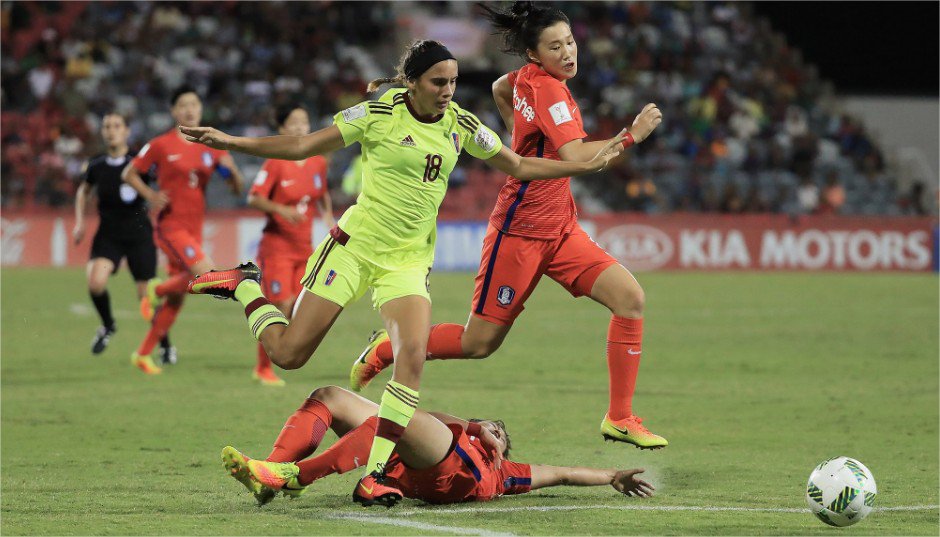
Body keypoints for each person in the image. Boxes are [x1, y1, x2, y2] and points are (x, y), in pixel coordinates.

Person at [181, 39, 626, 507]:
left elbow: (515, 164)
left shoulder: (461, 125)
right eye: (438, 82)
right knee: (289, 354)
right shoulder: (376, 114)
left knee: (411, 355)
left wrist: (583, 164)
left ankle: (375, 474)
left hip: (408, 264)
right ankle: (245, 285)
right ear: (412, 83)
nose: (448, 91)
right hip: (354, 250)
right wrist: (232, 142)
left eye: (453, 81)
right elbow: (301, 145)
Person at [351, 2, 668, 450]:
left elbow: (502, 87)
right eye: (555, 47)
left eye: (571, 41)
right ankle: (388, 347)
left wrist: (518, 143)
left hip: (560, 228)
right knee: (478, 343)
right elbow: (579, 158)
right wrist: (633, 133)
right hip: (519, 233)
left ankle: (620, 417)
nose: (569, 52)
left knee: (630, 298)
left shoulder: (528, 79)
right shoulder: (550, 91)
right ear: (535, 55)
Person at [221, 385, 655, 507]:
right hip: (412, 464)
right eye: (493, 425)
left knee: (398, 416)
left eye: (501, 433)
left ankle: (298, 476)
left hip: (450, 473)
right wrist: (475, 423)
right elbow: (436, 420)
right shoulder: (463, 429)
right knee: (330, 396)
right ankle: (269, 477)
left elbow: (561, 473)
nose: (496, 432)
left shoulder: (504, 471)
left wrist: (612, 476)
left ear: (503, 445)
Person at [121, 86, 245, 374]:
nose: (190, 110)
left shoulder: (211, 146)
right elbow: (129, 173)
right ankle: (157, 289)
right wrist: (150, 196)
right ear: (174, 111)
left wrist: (232, 168)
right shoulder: (160, 145)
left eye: (195, 104)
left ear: (200, 110)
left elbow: (235, 186)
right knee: (208, 274)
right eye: (184, 105)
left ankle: (142, 354)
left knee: (177, 299)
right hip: (171, 225)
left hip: (195, 228)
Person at [246, 104, 336, 386]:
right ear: (282, 129)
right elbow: (254, 198)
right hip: (277, 248)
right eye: (294, 122)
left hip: (304, 249)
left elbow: (321, 193)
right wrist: (280, 210)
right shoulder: (275, 161)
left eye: (304, 121)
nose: (300, 127)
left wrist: (329, 216)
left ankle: (280, 359)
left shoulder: (317, 161)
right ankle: (262, 368)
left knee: (298, 308)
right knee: (281, 304)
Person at [72, 113, 172, 356]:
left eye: (116, 126)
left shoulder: (139, 162)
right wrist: (79, 222)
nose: (111, 130)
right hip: (108, 235)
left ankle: (165, 345)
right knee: (96, 283)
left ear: (127, 131)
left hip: (139, 235)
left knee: (145, 297)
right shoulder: (96, 165)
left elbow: (164, 183)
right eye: (106, 126)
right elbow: (83, 192)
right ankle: (108, 326)